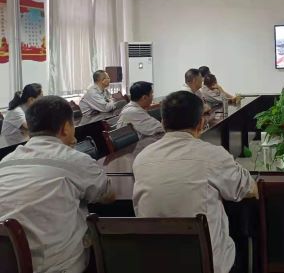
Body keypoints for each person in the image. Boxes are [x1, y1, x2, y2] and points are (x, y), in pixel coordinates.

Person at [133, 91, 257, 273]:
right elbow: (250, 189)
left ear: (163, 122)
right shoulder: (213, 155)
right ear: (200, 123)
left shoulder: (141, 159)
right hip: (208, 265)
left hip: (156, 264)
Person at [0, 96, 114, 273]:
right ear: (66, 128)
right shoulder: (75, 160)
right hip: (60, 267)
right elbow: (108, 195)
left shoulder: (6, 162)